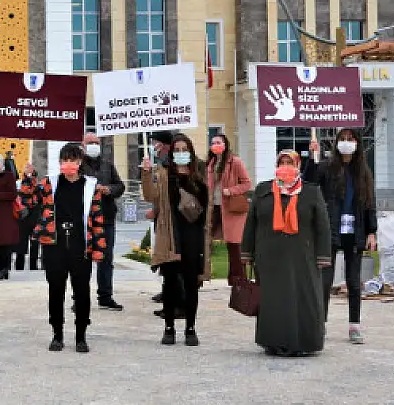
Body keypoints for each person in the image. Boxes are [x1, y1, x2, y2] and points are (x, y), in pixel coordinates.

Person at [241, 150, 332, 356]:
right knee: (272, 300)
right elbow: (251, 223)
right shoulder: (263, 190)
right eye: (282, 162)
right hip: (269, 256)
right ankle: (273, 341)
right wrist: (246, 252)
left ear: (298, 166)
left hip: (302, 257)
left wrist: (323, 255)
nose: (285, 167)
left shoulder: (310, 192)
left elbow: (323, 226)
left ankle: (303, 343)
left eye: (290, 163)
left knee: (303, 298)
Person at [20, 143, 108, 353]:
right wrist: (28, 177)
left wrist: (99, 248)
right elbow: (28, 200)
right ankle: (57, 334)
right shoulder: (49, 183)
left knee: (82, 292)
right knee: (56, 290)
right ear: (60, 162)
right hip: (55, 245)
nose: (68, 164)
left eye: (72, 160)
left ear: (79, 163)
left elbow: (97, 218)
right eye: (64, 160)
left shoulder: (90, 186)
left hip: (80, 245)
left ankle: (81, 336)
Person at [303, 129, 377, 344]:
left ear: (357, 143)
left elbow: (369, 202)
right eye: (342, 139)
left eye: (350, 139)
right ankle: (321, 324)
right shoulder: (327, 166)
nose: (346, 143)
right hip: (330, 230)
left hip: (355, 232)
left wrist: (372, 231)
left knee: (354, 282)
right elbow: (309, 184)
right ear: (336, 143)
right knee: (325, 280)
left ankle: (354, 325)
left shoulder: (363, 171)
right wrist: (312, 158)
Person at [142, 134, 209, 346]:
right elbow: (149, 195)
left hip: (193, 235)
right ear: (171, 154)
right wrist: (145, 172)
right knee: (170, 283)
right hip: (171, 234)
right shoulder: (163, 174)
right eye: (177, 150)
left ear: (190, 151)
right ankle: (169, 328)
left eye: (184, 149)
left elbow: (208, 205)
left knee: (191, 283)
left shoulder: (199, 175)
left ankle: (190, 328)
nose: (181, 153)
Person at [80, 132, 126, 310]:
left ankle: (105, 296)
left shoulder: (107, 165)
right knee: (83, 260)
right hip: (85, 219)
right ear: (83, 145)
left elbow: (120, 186)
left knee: (106, 259)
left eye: (97, 143)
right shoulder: (78, 166)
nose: (94, 145)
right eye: (90, 142)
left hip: (106, 217)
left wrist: (109, 189)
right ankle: (80, 297)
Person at [204, 134, 252, 283]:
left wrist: (231, 190)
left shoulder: (235, 162)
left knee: (234, 244)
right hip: (214, 207)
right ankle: (203, 274)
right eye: (213, 143)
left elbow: (246, 183)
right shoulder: (211, 163)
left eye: (218, 142)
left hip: (231, 208)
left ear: (225, 144)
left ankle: (237, 278)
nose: (215, 145)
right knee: (205, 240)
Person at [147, 130, 175, 309]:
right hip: (162, 216)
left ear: (164, 144)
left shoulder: (170, 163)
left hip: (172, 218)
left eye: (156, 142)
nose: (153, 146)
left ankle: (172, 294)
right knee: (163, 255)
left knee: (170, 256)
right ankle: (167, 290)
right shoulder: (160, 162)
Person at [14, 163, 41, 271]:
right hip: (23, 216)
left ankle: (33, 266)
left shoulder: (37, 185)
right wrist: (27, 176)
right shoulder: (20, 184)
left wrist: (31, 175)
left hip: (34, 216)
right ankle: (19, 266)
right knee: (21, 243)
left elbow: (37, 194)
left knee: (34, 243)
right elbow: (25, 191)